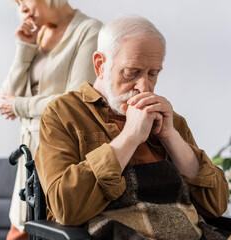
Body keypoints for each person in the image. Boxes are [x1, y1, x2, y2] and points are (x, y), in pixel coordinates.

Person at [35, 15, 230, 239]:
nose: (144, 86)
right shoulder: (63, 113)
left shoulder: (172, 120)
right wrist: (129, 136)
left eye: (153, 74)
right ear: (100, 65)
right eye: (132, 72)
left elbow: (216, 205)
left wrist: (170, 136)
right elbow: (66, 209)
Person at [0, 0, 102, 239]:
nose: (22, 9)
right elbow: (7, 95)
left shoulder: (90, 31)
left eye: (25, 0)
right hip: (28, 154)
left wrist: (19, 105)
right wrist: (24, 49)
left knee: (50, 229)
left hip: (59, 152)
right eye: (18, 3)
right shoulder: (38, 33)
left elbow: (75, 101)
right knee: (19, 229)